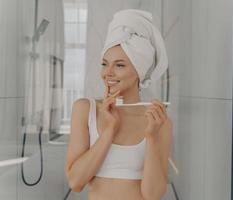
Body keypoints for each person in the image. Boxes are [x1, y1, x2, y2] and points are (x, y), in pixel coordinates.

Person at [64, 9, 173, 200]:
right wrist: (109, 130)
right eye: (105, 64)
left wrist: (152, 137)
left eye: (120, 65)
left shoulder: (157, 120)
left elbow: (153, 195)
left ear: (139, 70)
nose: (108, 73)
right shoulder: (85, 109)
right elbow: (76, 182)